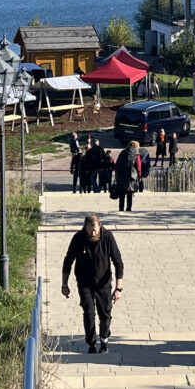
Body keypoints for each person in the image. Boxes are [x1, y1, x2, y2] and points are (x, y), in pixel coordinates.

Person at [61, 214, 125, 354]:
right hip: (85, 282)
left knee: (105, 313)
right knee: (89, 312)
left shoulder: (107, 237)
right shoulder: (78, 238)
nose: (93, 233)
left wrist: (118, 288)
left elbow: (118, 262)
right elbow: (68, 261)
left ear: (100, 226)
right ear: (85, 227)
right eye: (90, 231)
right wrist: (64, 285)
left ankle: (104, 338)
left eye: (95, 230)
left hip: (103, 283)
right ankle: (91, 342)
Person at [114, 141, 142, 212]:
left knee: (122, 193)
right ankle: (129, 208)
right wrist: (139, 176)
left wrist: (116, 174)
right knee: (130, 193)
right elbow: (138, 166)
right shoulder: (136, 154)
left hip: (121, 175)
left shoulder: (123, 152)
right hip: (131, 176)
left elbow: (117, 164)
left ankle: (121, 208)